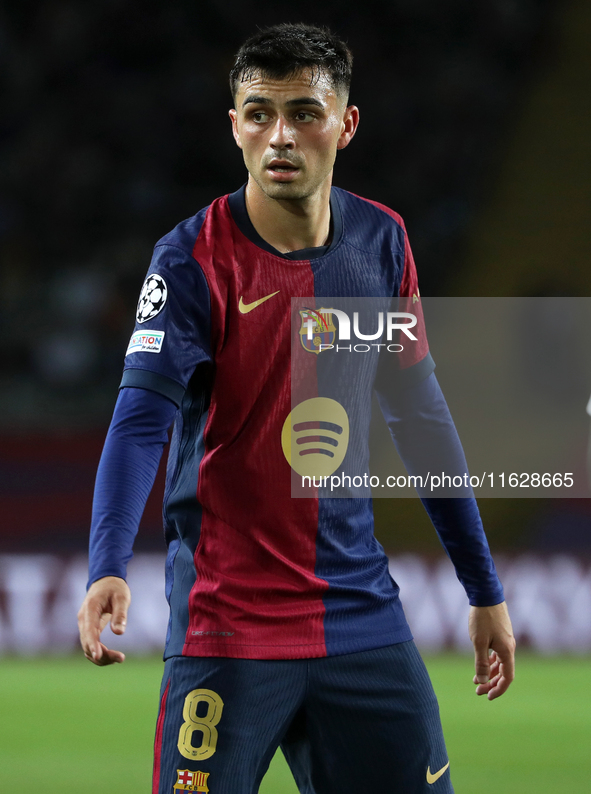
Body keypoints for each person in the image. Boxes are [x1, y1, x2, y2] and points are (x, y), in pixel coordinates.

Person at [78, 23, 515, 794]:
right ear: (235, 128)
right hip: (228, 622)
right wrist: (107, 563)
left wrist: (482, 588)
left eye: (304, 113)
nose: (280, 136)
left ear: (344, 125)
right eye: (258, 112)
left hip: (359, 615)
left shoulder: (381, 240)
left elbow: (418, 415)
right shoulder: (190, 259)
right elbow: (141, 417)